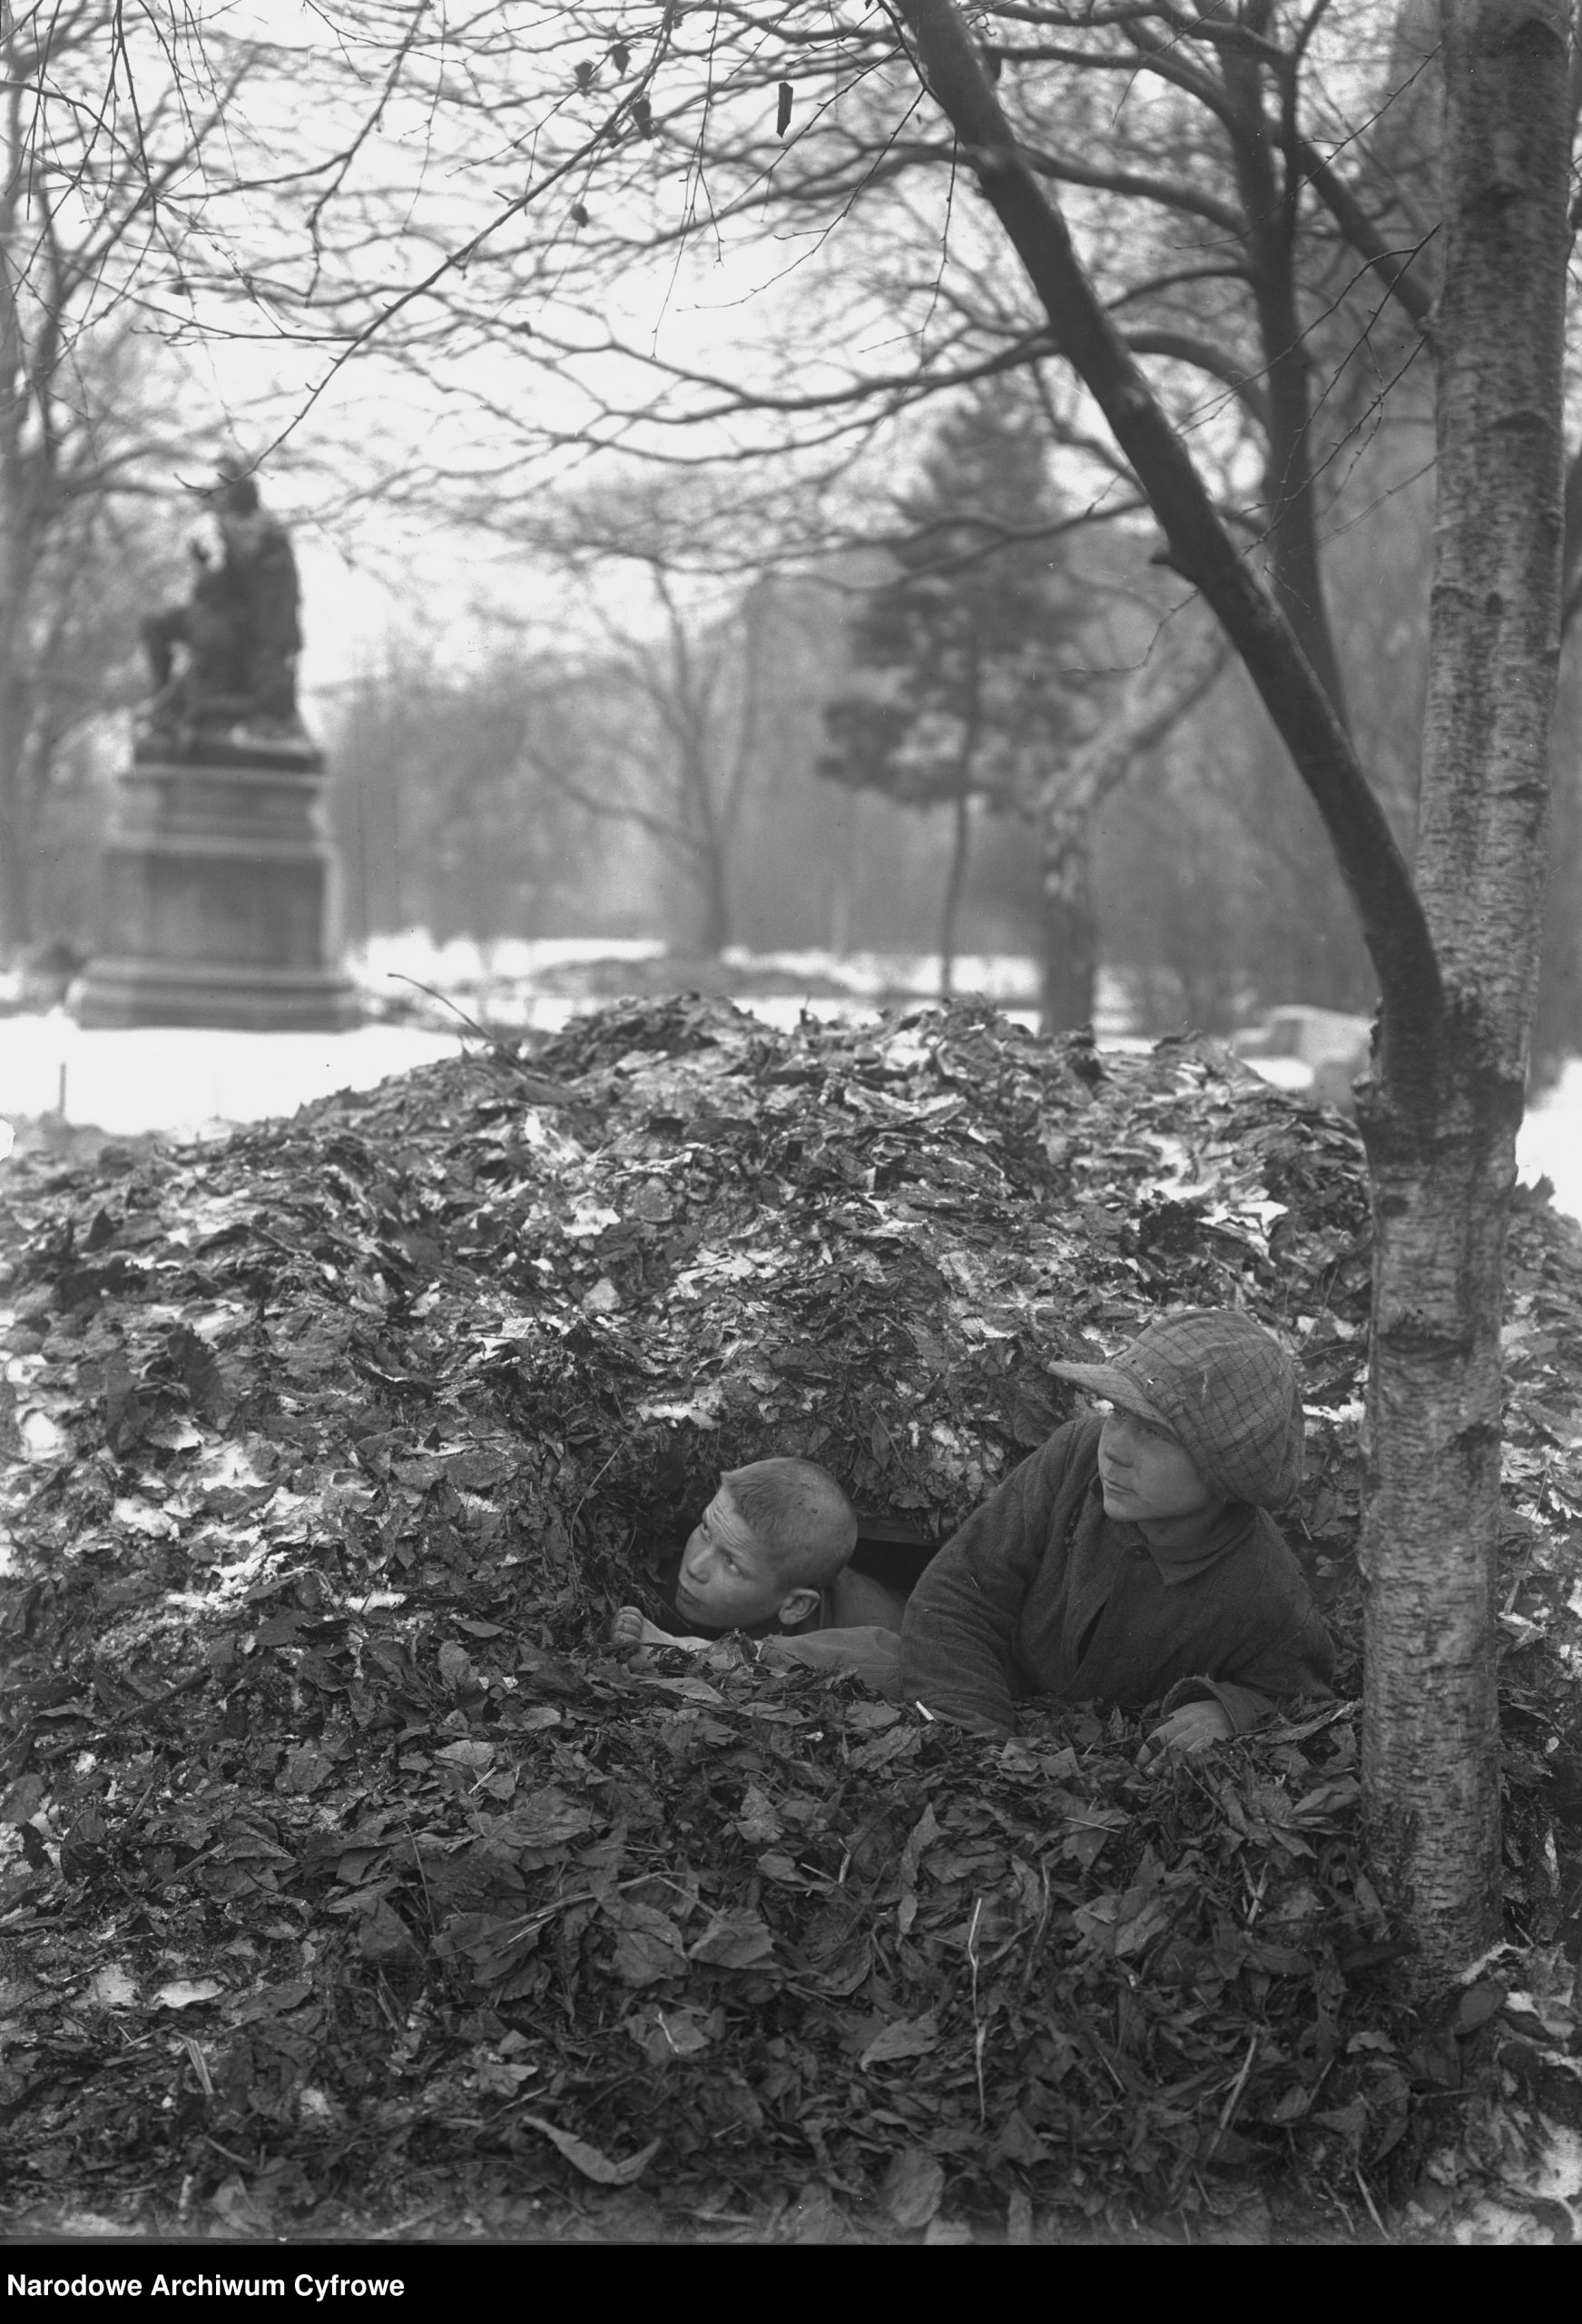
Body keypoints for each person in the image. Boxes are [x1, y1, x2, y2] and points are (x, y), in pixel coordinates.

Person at [900, 1307, 1333, 1752]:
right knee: (845, 1656)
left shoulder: (1266, 1586)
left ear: (1229, 1469)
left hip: (1111, 1769)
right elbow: (959, 1595)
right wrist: (975, 1738)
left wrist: (1229, 1709)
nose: (1116, 1450)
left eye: (1156, 1433)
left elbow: (1305, 1702)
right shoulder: (1076, 1455)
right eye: (1118, 1413)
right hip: (989, 1685)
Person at [613, 1457, 911, 1692]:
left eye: (730, 1561)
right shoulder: (668, 1580)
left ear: (795, 1607)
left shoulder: (873, 1629)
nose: (694, 1567)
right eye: (705, 1529)